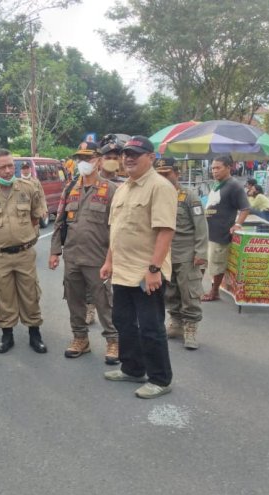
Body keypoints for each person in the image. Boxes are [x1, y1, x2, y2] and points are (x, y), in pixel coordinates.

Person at [100, 136, 177, 399]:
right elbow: (117, 230)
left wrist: (154, 269)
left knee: (151, 326)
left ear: (151, 158)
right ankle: (133, 369)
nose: (128, 158)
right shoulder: (123, 188)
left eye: (136, 153)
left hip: (147, 272)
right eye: (126, 154)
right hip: (122, 270)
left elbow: (166, 231)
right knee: (122, 321)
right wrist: (109, 261)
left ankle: (160, 378)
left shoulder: (160, 187)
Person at [49, 141, 119, 364]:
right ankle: (80, 339)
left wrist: (113, 258)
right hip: (72, 256)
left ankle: (113, 341)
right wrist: (54, 251)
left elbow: (118, 227)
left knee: (104, 301)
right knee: (74, 299)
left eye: (88, 159)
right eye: (79, 159)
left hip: (98, 257)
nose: (83, 163)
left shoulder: (111, 189)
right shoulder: (70, 188)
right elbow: (59, 222)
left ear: (98, 160)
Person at [0, 148, 48, 354]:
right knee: (2, 294)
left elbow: (35, 217)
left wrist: (20, 235)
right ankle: (7, 335)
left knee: (30, 293)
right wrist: (1, 237)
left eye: (10, 166)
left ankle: (35, 333)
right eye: (2, 167)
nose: (7, 171)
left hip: (24, 253)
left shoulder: (28, 188)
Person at [155, 159, 208, 350]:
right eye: (159, 174)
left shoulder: (189, 196)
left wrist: (201, 252)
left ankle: (191, 328)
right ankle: (176, 323)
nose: (163, 178)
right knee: (170, 292)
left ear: (176, 173)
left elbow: (201, 226)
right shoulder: (157, 195)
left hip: (187, 253)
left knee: (189, 293)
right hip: (165, 254)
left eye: (166, 174)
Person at [202, 155, 250, 302]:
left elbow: (245, 208)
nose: (214, 171)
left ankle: (214, 291)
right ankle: (200, 289)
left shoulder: (234, 186)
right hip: (207, 230)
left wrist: (238, 224)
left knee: (217, 264)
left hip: (221, 232)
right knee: (204, 261)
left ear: (229, 167)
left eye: (218, 168)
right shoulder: (216, 184)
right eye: (212, 168)